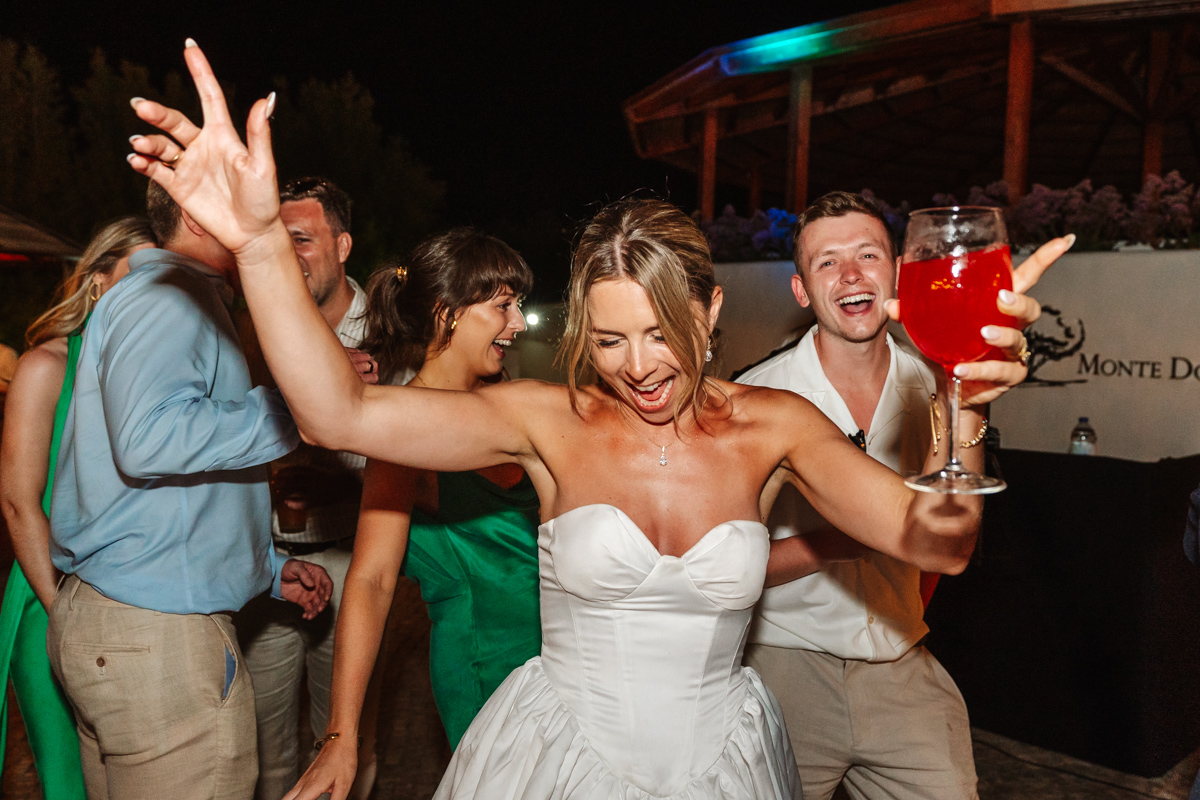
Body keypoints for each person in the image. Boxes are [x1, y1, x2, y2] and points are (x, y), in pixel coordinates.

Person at [125, 42, 1060, 800]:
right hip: (561, 760)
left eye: (661, 334)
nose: (637, 365)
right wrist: (258, 247)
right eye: (609, 340)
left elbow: (938, 543)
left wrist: (966, 403)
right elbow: (338, 413)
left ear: (712, 313)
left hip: (722, 766)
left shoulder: (776, 424)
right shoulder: (548, 421)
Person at [736, 192, 1066, 799]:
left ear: (896, 272)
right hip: (785, 662)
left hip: (901, 658)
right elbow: (718, 569)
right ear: (801, 291)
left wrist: (968, 399)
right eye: (827, 261)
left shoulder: (939, 380)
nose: (851, 273)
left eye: (868, 254)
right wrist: (835, 542)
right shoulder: (755, 398)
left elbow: (952, 546)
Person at [43, 178, 335, 800]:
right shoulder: (170, 300)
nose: (267, 226)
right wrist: (297, 407)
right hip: (158, 638)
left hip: (120, 617)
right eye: (251, 209)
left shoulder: (163, 297)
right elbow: (149, 440)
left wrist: (265, 569)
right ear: (200, 218)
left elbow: (157, 495)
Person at [290, 227, 541, 796]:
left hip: (557, 658)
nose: (519, 323)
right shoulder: (404, 429)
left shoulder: (512, 403)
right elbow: (372, 581)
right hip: (485, 668)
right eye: (503, 306)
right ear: (447, 313)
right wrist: (341, 735)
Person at [235, 176, 385, 800]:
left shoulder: (387, 333)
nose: (288, 254)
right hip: (264, 565)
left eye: (301, 238)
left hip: (352, 561)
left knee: (346, 741)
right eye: (278, 240)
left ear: (342, 245)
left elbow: (417, 467)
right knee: (262, 748)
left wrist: (332, 480)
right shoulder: (250, 326)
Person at [0, 217, 156, 800]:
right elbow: (18, 504)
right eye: (137, 276)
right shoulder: (45, 367)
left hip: (135, 601)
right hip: (51, 595)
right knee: (70, 783)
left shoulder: (155, 375)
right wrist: (64, 615)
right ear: (96, 281)